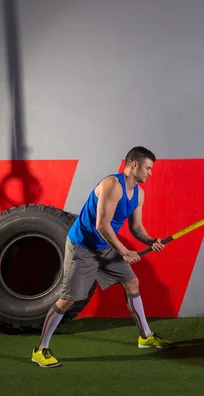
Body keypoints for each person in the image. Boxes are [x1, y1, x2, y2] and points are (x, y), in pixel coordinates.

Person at [31, 146, 174, 368]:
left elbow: (136, 227)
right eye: (148, 167)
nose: (150, 173)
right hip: (83, 247)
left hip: (106, 246)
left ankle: (145, 336)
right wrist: (124, 251)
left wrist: (150, 241)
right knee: (68, 299)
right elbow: (101, 225)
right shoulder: (112, 185)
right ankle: (40, 350)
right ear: (134, 165)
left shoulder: (139, 193)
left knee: (132, 282)